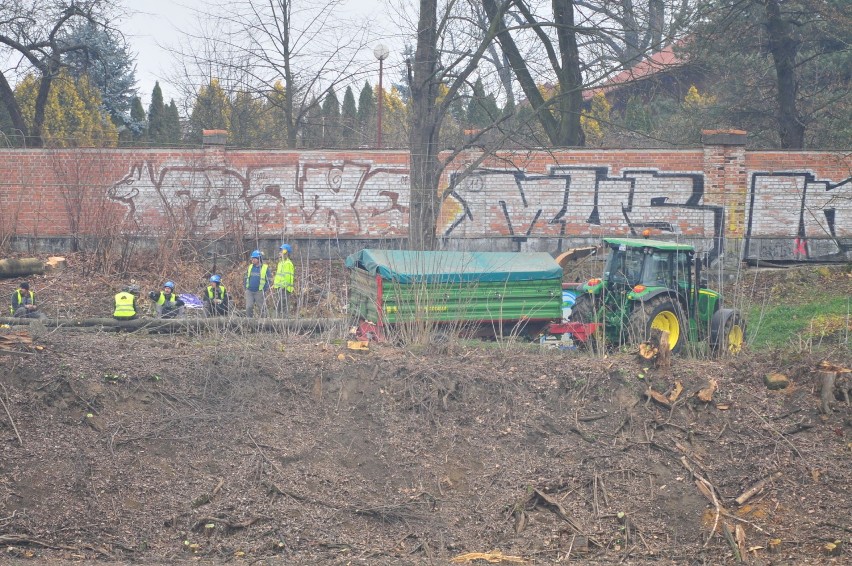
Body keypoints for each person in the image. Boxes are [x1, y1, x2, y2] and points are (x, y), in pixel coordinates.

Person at [245, 250, 270, 318]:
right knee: (249, 307)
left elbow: (268, 280)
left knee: (262, 308)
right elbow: (246, 277)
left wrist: (264, 289)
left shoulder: (265, 268)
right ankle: (249, 322)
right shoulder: (250, 267)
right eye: (252, 258)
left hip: (259, 291)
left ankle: (265, 324)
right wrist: (246, 288)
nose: (252, 259)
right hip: (249, 291)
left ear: (259, 259)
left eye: (254, 258)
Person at [273, 243, 295, 317]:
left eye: (281, 251)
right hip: (279, 287)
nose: (279, 253)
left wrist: (283, 286)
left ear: (285, 252)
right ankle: (278, 318)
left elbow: (288, 277)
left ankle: (284, 320)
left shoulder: (288, 263)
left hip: (284, 288)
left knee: (283, 303)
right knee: (280, 303)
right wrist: (275, 285)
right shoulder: (280, 263)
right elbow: (279, 275)